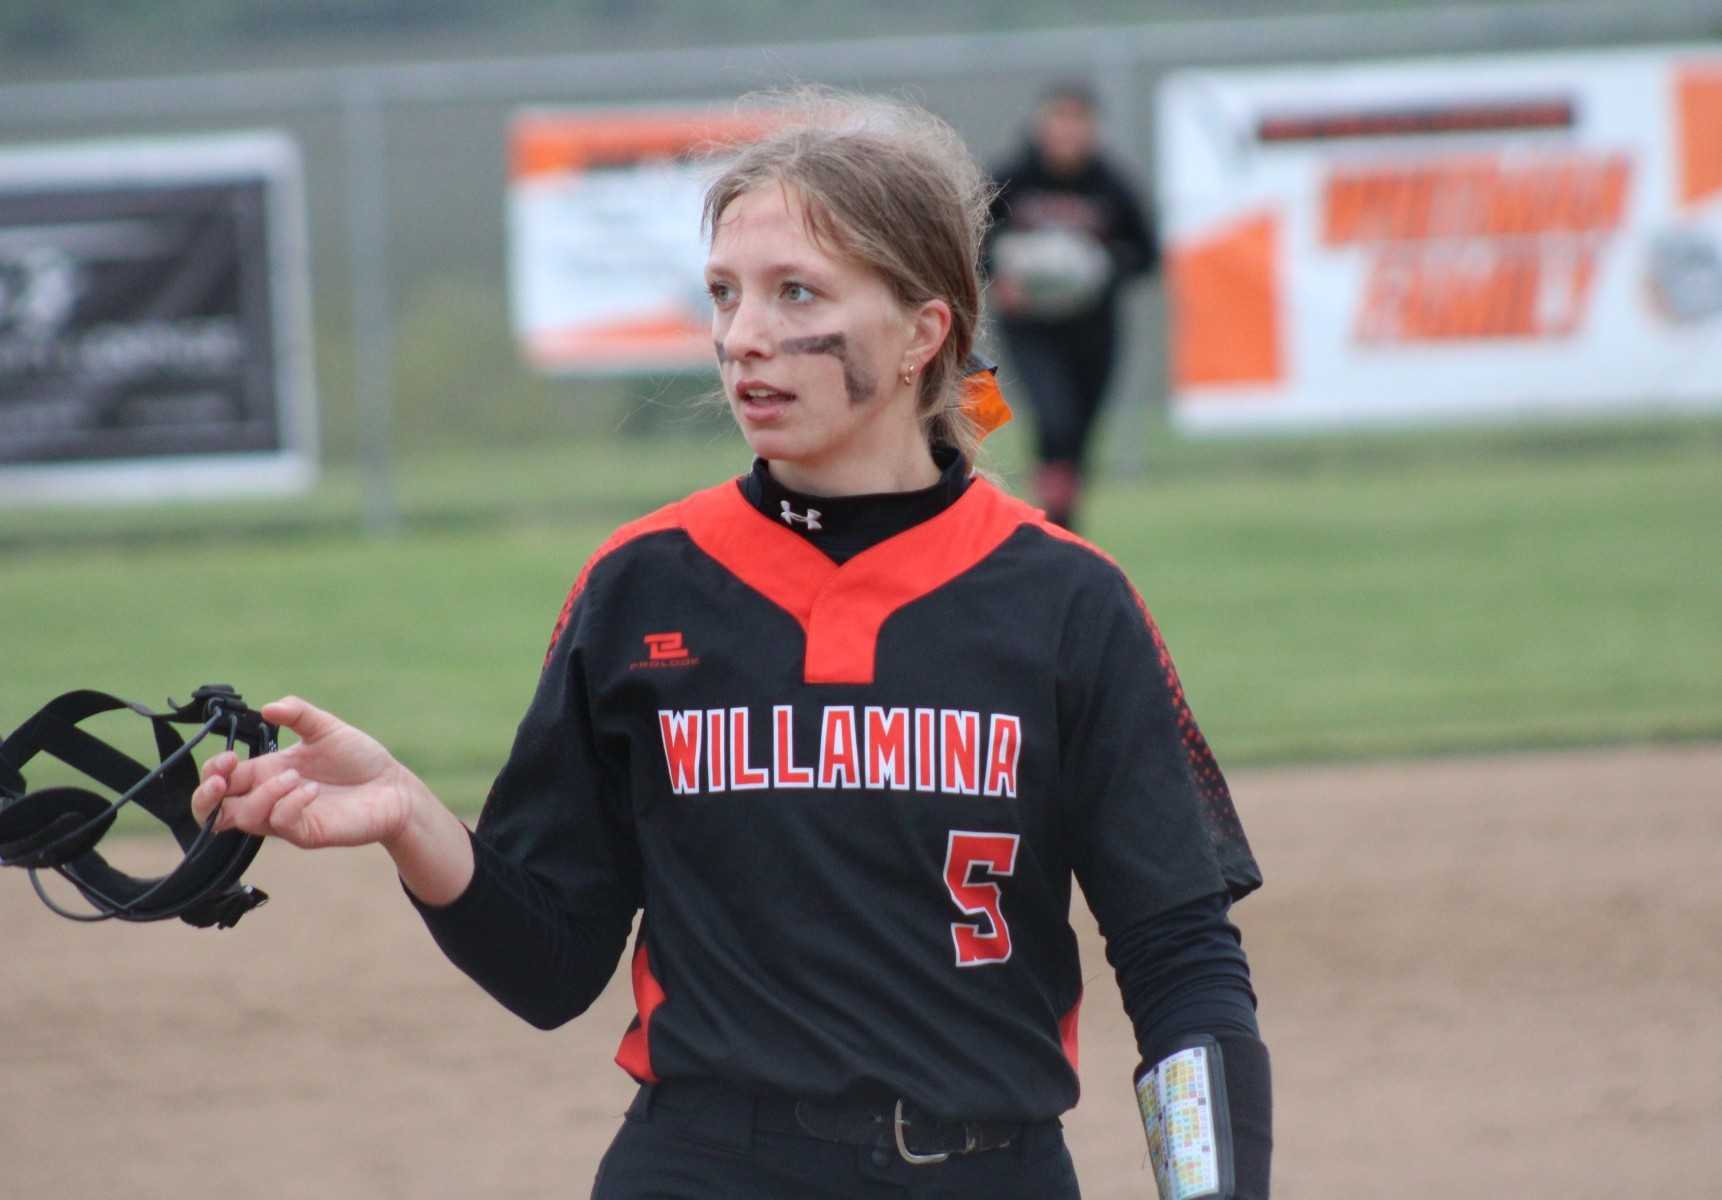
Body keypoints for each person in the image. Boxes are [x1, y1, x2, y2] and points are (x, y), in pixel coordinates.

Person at [190, 92, 1270, 1199]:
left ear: (922, 334)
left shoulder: (1065, 598)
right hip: (704, 1167)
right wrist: (414, 823)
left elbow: (1181, 967)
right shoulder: (645, 584)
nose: (744, 334)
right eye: (724, 293)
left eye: (796, 291)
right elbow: (556, 966)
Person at [987, 82, 1159, 530]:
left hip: (1092, 330)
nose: (1067, 132)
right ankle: (1052, 524)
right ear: (1041, 125)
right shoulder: (1012, 179)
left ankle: (1064, 525)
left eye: (1077, 121)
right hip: (1031, 328)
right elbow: (970, 240)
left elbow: (1145, 253)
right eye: (1058, 120)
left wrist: (1101, 268)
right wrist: (1000, 276)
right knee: (1054, 419)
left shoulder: (1110, 184)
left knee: (1079, 434)